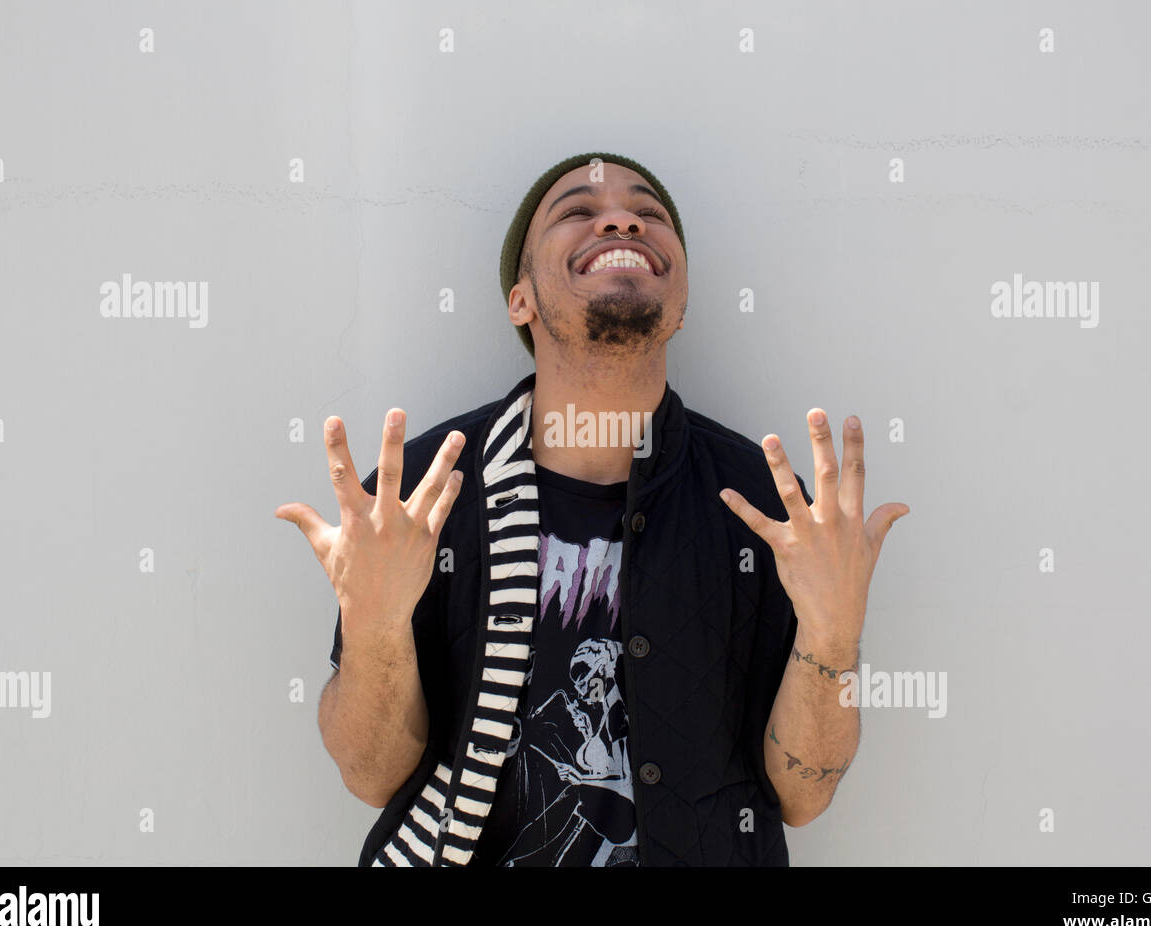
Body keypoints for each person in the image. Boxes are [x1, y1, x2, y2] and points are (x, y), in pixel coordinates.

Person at [275, 152, 909, 866]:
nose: (620, 218)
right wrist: (375, 628)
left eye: (651, 214)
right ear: (521, 300)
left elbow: (802, 795)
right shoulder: (422, 492)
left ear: (681, 300)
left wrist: (833, 634)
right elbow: (372, 775)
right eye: (577, 210)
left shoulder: (770, 506)